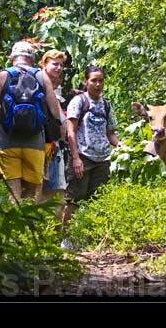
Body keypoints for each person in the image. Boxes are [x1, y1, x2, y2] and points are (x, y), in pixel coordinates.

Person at [0, 41, 61, 203]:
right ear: (32, 59)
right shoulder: (41, 76)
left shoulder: (3, 75)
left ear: (12, 58)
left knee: (14, 192)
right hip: (34, 143)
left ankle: (15, 224)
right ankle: (33, 225)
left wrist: (8, 118)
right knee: (34, 194)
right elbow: (55, 112)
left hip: (6, 142)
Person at [61, 65, 123, 250]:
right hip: (83, 157)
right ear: (86, 81)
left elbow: (110, 132)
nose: (97, 84)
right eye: (94, 80)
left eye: (101, 80)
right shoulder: (78, 101)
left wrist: (120, 145)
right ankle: (67, 238)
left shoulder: (106, 104)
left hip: (103, 159)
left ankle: (93, 239)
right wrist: (76, 158)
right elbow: (70, 132)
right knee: (74, 199)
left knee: (97, 200)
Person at [38, 49, 69, 207]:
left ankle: (52, 229)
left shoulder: (51, 86)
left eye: (61, 65)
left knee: (54, 192)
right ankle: (49, 229)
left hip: (53, 146)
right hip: (45, 146)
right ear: (44, 64)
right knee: (52, 192)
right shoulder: (40, 85)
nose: (59, 68)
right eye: (55, 64)